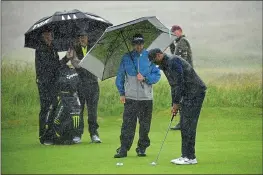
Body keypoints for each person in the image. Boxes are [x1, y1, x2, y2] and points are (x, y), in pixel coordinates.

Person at [148, 48, 206, 165]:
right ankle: (185, 155)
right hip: (187, 94)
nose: (154, 63)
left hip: (195, 92)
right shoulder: (165, 64)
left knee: (188, 124)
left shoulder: (172, 61)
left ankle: (190, 157)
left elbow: (179, 83)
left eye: (154, 60)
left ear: (159, 55)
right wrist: (174, 104)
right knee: (184, 124)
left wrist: (176, 103)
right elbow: (173, 85)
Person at [114, 34, 161, 158]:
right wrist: (121, 92)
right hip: (130, 97)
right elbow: (120, 76)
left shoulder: (150, 57)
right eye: (136, 44)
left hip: (146, 98)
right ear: (132, 44)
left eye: (140, 43)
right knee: (128, 125)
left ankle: (142, 147)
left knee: (145, 125)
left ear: (143, 43)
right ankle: (124, 148)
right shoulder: (126, 58)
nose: (138, 46)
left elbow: (157, 75)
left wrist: (145, 78)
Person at [35, 27, 73, 145]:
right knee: (46, 109)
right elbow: (52, 67)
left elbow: (56, 66)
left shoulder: (52, 48)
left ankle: (50, 134)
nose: (49, 36)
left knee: (53, 108)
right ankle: (44, 136)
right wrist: (66, 59)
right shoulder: (41, 49)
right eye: (46, 34)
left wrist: (67, 58)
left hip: (53, 83)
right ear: (42, 36)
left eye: (50, 34)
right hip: (44, 83)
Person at [69, 30, 101, 144]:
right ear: (78, 39)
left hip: (93, 84)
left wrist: (85, 63)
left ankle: (94, 134)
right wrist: (84, 63)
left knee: (92, 111)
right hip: (80, 84)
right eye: (80, 37)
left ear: (88, 38)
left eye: (84, 37)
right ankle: (77, 134)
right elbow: (75, 63)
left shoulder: (94, 48)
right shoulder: (74, 49)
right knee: (79, 110)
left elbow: (97, 63)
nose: (82, 39)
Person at [169, 25, 193, 130]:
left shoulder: (182, 41)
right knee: (182, 99)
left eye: (175, 32)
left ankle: (183, 123)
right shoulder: (179, 42)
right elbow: (176, 56)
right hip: (185, 75)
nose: (174, 34)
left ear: (180, 31)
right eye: (172, 33)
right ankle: (184, 123)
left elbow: (179, 60)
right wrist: (171, 44)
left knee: (182, 99)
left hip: (185, 75)